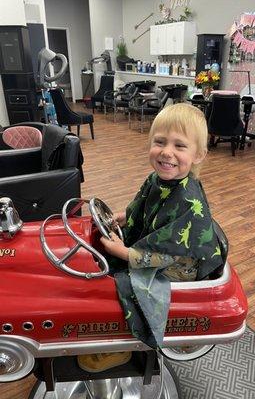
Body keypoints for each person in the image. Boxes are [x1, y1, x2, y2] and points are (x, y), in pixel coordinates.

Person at [78, 103, 225, 372]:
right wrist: (124, 216)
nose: (166, 152)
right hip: (166, 250)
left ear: (199, 155)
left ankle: (123, 348)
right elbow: (142, 205)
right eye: (160, 142)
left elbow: (166, 256)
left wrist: (122, 252)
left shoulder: (187, 199)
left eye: (179, 146)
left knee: (123, 285)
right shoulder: (157, 178)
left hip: (180, 265)